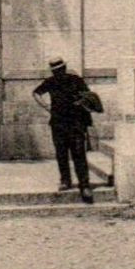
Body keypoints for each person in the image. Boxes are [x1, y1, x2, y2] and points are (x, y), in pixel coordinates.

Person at [33, 57, 97, 203]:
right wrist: (47, 107)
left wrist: (82, 103)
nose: (58, 72)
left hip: (76, 123)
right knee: (61, 153)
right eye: (56, 71)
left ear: (64, 68)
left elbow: (89, 96)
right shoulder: (50, 82)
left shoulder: (76, 80)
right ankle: (65, 181)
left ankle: (84, 186)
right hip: (58, 123)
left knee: (79, 154)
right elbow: (36, 93)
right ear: (54, 71)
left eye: (59, 70)